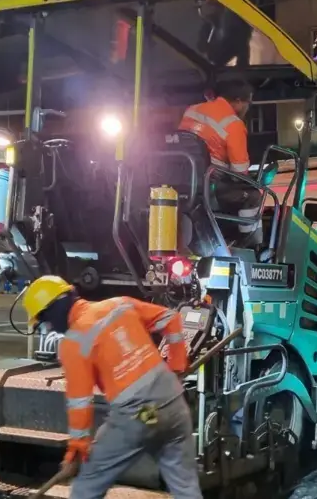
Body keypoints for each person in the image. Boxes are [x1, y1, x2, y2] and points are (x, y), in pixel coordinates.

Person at [22, 275, 200, 499]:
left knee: (88, 484)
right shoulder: (120, 304)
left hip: (143, 415)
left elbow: (80, 401)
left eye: (44, 321)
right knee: (186, 488)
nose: (48, 328)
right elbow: (171, 318)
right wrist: (177, 366)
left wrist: (78, 447)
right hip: (174, 403)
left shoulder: (74, 342)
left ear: (53, 309)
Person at [179, 80, 263, 248]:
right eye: (248, 103)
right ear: (238, 101)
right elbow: (240, 173)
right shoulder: (233, 124)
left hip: (181, 179)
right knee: (253, 195)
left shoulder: (192, 110)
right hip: (210, 185)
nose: (248, 108)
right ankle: (250, 244)